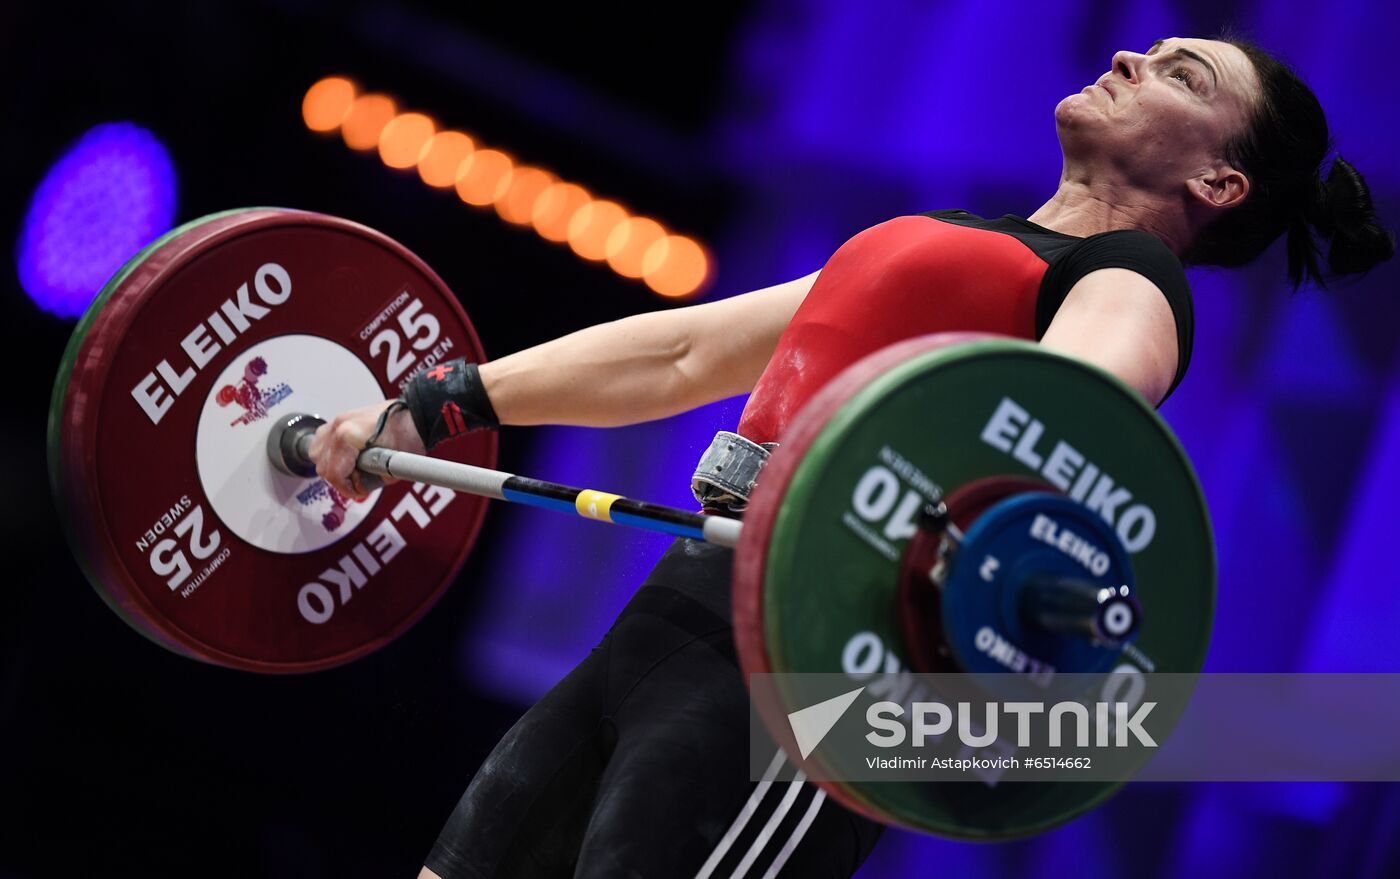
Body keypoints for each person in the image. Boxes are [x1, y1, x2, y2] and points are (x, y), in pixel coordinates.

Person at [308, 34, 1392, 878]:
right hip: (676, 615)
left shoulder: (1126, 282)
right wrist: (438, 405)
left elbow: (1071, 421)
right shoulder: (947, 237)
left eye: (1181, 75)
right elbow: (684, 353)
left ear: (1218, 183)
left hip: (816, 687)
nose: (1128, 56)